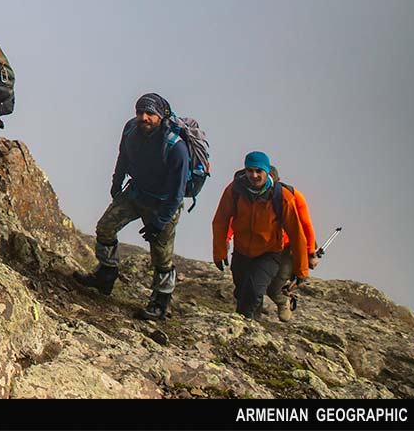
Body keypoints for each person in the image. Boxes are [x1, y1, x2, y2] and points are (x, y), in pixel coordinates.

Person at [73, 93, 187, 321]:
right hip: (136, 193)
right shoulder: (130, 130)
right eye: (140, 112)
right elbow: (123, 156)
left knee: (161, 256)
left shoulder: (176, 148)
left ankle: (160, 302)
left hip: (164, 204)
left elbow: (177, 193)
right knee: (105, 228)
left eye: (150, 113)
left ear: (161, 116)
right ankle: (106, 274)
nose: (143, 117)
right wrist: (116, 183)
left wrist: (159, 222)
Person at [212, 151, 309, 320]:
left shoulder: (282, 197)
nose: (254, 175)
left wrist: (301, 270)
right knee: (242, 292)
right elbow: (221, 220)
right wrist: (219, 251)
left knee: (254, 291)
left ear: (267, 172)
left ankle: (245, 327)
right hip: (242, 251)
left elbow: (296, 232)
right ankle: (253, 324)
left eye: (259, 171)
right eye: (250, 170)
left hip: (269, 253)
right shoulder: (235, 189)